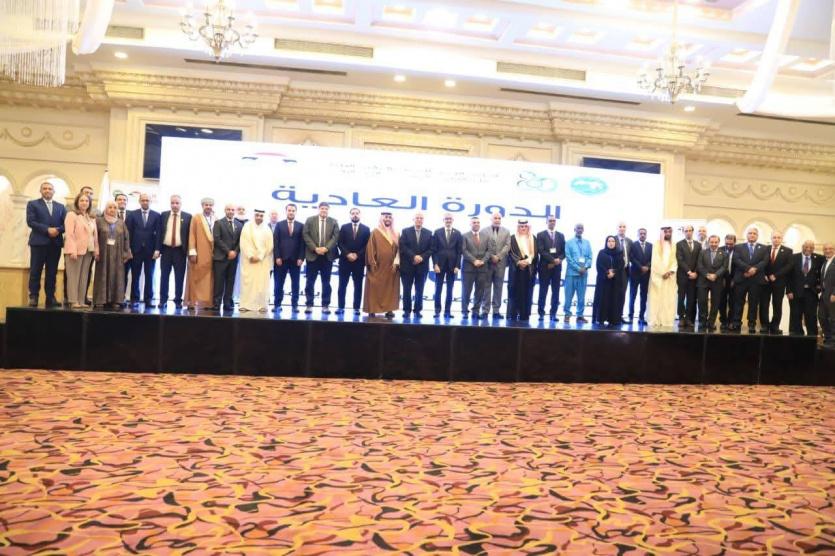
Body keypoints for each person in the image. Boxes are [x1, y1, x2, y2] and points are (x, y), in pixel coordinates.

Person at [26, 181, 66, 307]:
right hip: (38, 243)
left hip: (55, 244)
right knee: (35, 270)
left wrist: (58, 230)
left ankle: (50, 297)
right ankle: (34, 296)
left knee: (52, 272)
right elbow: (31, 221)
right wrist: (47, 229)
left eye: (50, 188)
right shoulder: (33, 204)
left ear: (54, 191)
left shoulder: (61, 207)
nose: (47, 190)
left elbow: (66, 224)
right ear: (41, 191)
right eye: (45, 188)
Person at [93, 200, 132, 308]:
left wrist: (126, 253)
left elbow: (126, 238)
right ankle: (100, 300)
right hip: (103, 254)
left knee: (117, 276)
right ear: (106, 209)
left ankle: (116, 300)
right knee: (102, 274)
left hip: (118, 255)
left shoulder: (121, 222)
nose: (112, 210)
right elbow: (94, 237)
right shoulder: (99, 221)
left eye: (115, 208)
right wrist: (95, 251)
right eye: (110, 207)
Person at [729, 227, 768, 333]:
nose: (752, 235)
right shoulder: (738, 247)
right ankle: (736, 322)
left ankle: (751, 324)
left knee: (753, 303)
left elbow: (764, 261)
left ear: (757, 236)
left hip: (756, 280)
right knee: (738, 302)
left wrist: (754, 269)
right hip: (741, 278)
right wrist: (748, 269)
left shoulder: (764, 248)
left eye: (754, 233)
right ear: (747, 235)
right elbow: (736, 260)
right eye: (750, 233)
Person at [302, 202, 339, 314]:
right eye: (322, 208)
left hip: (327, 257)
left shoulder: (334, 221)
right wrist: (315, 248)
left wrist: (326, 248)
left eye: (326, 209)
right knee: (310, 282)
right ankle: (309, 305)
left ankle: (325, 305)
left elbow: (335, 236)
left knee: (326, 282)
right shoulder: (310, 220)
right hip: (312, 255)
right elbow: (305, 234)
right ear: (318, 209)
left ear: (328, 210)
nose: (324, 210)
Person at [63, 192, 98, 309]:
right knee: (73, 277)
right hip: (75, 251)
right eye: (82, 200)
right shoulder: (71, 215)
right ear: (77, 202)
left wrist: (95, 249)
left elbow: (94, 235)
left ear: (90, 203)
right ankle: (73, 301)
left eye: (87, 201)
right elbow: (69, 234)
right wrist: (72, 250)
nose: (84, 203)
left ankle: (81, 300)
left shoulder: (90, 217)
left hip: (88, 251)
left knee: (84, 277)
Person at [125, 193, 161, 307]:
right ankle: (134, 299)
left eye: (147, 200)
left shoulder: (157, 215)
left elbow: (159, 234)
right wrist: (128, 249)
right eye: (143, 200)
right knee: (135, 275)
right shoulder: (132, 214)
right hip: (135, 250)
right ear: (139, 201)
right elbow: (128, 233)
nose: (145, 202)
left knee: (149, 276)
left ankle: (148, 299)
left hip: (151, 251)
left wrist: (157, 249)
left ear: (150, 201)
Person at [157, 195, 191, 309]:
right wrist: (157, 249)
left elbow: (190, 236)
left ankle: (178, 300)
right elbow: (159, 233)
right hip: (166, 250)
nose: (175, 205)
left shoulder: (187, 217)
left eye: (177, 203)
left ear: (181, 204)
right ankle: (163, 300)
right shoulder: (163, 215)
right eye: (172, 203)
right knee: (164, 276)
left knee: (179, 277)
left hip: (180, 251)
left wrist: (190, 251)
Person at [364, 212, 400, 318]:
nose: (388, 219)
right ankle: (372, 309)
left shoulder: (396, 233)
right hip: (377, 266)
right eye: (386, 217)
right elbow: (370, 248)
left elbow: (399, 250)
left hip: (392, 267)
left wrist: (396, 262)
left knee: (390, 289)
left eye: (390, 217)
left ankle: (389, 310)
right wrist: (372, 262)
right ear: (381, 219)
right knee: (374, 287)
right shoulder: (375, 232)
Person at [238, 209, 274, 312]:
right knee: (248, 283)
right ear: (254, 216)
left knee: (262, 284)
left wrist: (260, 256)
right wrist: (250, 256)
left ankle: (262, 305)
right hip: (249, 261)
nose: (259, 217)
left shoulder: (267, 229)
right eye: (257, 215)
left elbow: (269, 246)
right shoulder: (247, 227)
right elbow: (244, 243)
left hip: (262, 262)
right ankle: (245, 305)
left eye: (261, 216)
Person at [399, 211, 433, 319]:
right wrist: (414, 256)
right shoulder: (405, 231)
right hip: (407, 266)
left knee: (420, 290)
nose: (419, 220)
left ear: (423, 220)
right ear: (413, 219)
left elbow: (431, 249)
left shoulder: (429, 233)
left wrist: (421, 257)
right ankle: (407, 310)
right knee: (406, 290)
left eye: (421, 218)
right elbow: (403, 247)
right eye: (417, 218)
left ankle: (417, 310)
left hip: (422, 267)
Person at [337, 208, 371, 315]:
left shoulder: (366, 229)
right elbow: (340, 243)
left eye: (357, 213)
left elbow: (367, 245)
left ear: (360, 215)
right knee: (342, 285)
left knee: (358, 286)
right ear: (350, 215)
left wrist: (357, 255)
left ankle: (356, 308)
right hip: (345, 261)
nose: (355, 215)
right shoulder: (344, 227)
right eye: (353, 213)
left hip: (359, 262)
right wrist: (348, 254)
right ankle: (340, 307)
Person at [758, 231, 793, 334]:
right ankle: (764, 325)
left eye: (778, 237)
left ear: (781, 239)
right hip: (765, 281)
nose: (776, 239)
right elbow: (760, 263)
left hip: (779, 282)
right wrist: (764, 274)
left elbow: (789, 266)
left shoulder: (788, 251)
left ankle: (775, 326)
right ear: (771, 238)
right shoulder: (765, 249)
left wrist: (776, 275)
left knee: (777, 304)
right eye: (774, 237)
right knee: (764, 304)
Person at [273, 203, 305, 312]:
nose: (291, 212)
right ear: (286, 211)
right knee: (278, 283)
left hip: (296, 260)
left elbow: (303, 243)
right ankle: (277, 305)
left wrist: (301, 258)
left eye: (293, 210)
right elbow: (275, 242)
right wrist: (277, 256)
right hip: (281, 260)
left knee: (295, 284)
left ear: (296, 212)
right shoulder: (279, 225)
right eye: (289, 210)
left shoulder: (301, 225)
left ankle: (295, 305)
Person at [787, 240, 823, 336]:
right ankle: (796, 337)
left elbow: (822, 274)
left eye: (811, 247)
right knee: (795, 315)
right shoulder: (793, 257)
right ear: (802, 247)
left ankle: (812, 338)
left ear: (813, 248)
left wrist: (818, 288)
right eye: (806, 247)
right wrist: (789, 291)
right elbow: (788, 276)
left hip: (811, 293)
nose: (808, 249)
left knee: (811, 316)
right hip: (795, 292)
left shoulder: (819, 258)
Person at [185, 197, 215, 310]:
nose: (208, 207)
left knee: (209, 279)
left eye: (210, 205)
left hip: (212, 254)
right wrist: (192, 252)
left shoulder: (215, 218)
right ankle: (193, 302)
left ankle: (207, 303)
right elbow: (192, 235)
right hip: (198, 253)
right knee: (195, 277)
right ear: (202, 206)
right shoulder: (196, 218)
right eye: (206, 205)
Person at [431, 213, 462, 319]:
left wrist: (457, 266)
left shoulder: (458, 233)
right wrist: (435, 264)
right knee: (438, 289)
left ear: (453, 220)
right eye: (446, 219)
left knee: (450, 290)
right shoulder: (437, 232)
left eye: (450, 219)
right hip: (439, 266)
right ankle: (437, 311)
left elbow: (459, 252)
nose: (448, 220)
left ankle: (447, 311)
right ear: (443, 220)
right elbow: (434, 250)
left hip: (452, 267)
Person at [536, 215, 565, 322]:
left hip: (557, 268)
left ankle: (553, 314)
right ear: (546, 222)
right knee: (543, 291)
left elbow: (564, 251)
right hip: (545, 267)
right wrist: (553, 260)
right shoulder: (540, 234)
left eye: (554, 220)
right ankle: (541, 313)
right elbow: (541, 250)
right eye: (550, 221)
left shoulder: (561, 235)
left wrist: (559, 259)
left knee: (556, 291)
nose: (552, 222)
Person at [212, 203, 241, 312]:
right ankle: (216, 303)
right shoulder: (218, 223)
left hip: (233, 259)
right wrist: (228, 251)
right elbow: (217, 239)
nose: (230, 211)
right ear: (225, 210)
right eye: (228, 209)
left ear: (235, 211)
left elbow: (241, 241)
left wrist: (235, 252)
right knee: (219, 282)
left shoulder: (239, 225)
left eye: (232, 210)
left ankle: (227, 303)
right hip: (221, 257)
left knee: (230, 281)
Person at [592, 235, 625, 327]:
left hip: (615, 281)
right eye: (609, 241)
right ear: (606, 242)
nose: (611, 243)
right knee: (603, 299)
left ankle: (613, 319)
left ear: (615, 243)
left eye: (613, 241)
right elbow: (599, 265)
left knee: (614, 299)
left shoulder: (619, 253)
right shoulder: (602, 252)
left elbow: (621, 265)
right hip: (604, 280)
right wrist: (607, 273)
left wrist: (613, 272)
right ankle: (600, 319)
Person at [648, 226, 677, 327]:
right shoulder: (656, 244)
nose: (667, 233)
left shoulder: (674, 244)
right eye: (666, 232)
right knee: (656, 299)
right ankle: (656, 320)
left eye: (669, 232)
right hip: (658, 276)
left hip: (670, 276)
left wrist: (670, 271)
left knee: (668, 299)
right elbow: (655, 260)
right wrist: (662, 272)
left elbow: (675, 260)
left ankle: (666, 320)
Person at [508, 220, 537, 321]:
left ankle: (525, 314)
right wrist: (519, 262)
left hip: (529, 269)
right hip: (516, 269)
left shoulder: (533, 238)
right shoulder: (512, 238)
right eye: (521, 226)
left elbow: (535, 253)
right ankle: (513, 314)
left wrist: (527, 261)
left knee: (527, 292)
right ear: (518, 227)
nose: (523, 228)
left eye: (525, 226)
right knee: (515, 291)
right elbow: (510, 253)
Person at [461, 216, 489, 319]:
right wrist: (474, 260)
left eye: (478, 222)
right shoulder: (464, 236)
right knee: (466, 291)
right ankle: (464, 311)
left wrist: (483, 261)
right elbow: (464, 250)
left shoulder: (486, 236)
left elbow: (489, 251)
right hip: (468, 268)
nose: (476, 224)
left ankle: (476, 311)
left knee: (480, 291)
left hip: (482, 268)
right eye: (474, 222)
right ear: (470, 224)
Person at [696, 235, 726, 331]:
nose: (713, 244)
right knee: (702, 302)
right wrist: (707, 275)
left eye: (715, 242)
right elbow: (699, 265)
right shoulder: (702, 252)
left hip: (717, 281)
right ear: (708, 242)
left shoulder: (724, 253)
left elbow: (724, 267)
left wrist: (716, 275)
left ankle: (711, 322)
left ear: (718, 242)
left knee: (715, 303)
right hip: (703, 281)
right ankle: (702, 321)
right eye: (711, 242)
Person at [564, 223, 592, 323]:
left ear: (583, 230)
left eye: (581, 228)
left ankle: (580, 316)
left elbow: (590, 257)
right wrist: (578, 268)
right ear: (574, 229)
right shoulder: (569, 243)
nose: (580, 230)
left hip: (583, 274)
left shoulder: (587, 243)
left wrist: (585, 267)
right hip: (571, 274)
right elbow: (569, 258)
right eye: (578, 228)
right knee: (568, 296)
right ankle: (567, 314)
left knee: (581, 297)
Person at [484, 211, 511, 319]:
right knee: (486, 287)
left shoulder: (506, 231)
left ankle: (496, 311)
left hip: (501, 263)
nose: (497, 220)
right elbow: (483, 246)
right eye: (495, 218)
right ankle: (485, 311)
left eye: (499, 218)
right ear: (491, 219)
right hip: (487, 263)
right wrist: (492, 256)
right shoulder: (484, 231)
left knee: (498, 287)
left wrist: (498, 257)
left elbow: (507, 246)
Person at [675, 225, 701, 329]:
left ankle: (689, 318)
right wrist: (689, 272)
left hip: (694, 277)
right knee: (681, 298)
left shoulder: (698, 245)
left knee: (691, 298)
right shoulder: (679, 244)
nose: (688, 232)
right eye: (686, 231)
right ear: (683, 232)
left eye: (690, 230)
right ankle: (681, 317)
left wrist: (696, 272)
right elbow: (680, 259)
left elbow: (700, 260)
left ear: (693, 232)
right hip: (682, 275)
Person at [628, 227, 652, 325]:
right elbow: (631, 257)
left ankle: (641, 317)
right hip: (634, 274)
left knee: (644, 296)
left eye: (644, 233)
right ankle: (630, 316)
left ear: (646, 235)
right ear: (638, 234)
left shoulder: (651, 245)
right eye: (641, 233)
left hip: (646, 275)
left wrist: (647, 267)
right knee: (632, 295)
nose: (642, 235)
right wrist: (640, 267)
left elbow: (653, 258)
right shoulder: (633, 244)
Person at [614, 222, 633, 322]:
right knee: (614, 294)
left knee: (622, 294)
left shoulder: (629, 241)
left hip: (625, 272)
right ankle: (612, 316)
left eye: (624, 227)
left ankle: (620, 315)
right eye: (620, 226)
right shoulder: (612, 239)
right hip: (615, 272)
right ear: (617, 228)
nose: (622, 228)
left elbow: (632, 256)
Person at [718, 234, 737, 331]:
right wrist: (722, 278)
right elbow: (717, 265)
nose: (729, 246)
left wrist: (735, 279)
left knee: (733, 302)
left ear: (735, 242)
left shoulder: (738, 250)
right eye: (727, 244)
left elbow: (739, 267)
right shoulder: (720, 250)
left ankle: (731, 321)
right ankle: (723, 321)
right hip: (722, 279)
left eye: (731, 244)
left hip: (734, 279)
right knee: (721, 301)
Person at [819, 243, 835, 347]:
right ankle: (828, 338)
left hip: (832, 295)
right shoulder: (825, 262)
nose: (827, 250)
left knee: (833, 318)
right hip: (824, 294)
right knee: (822, 317)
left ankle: (833, 341)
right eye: (825, 249)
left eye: (830, 248)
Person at [115, 192, 130, 294]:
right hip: (112, 249)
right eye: (119, 199)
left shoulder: (132, 215)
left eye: (124, 200)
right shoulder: (108, 213)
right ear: (115, 201)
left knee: (124, 274)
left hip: (126, 250)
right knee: (112, 274)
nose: (122, 201)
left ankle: (121, 296)